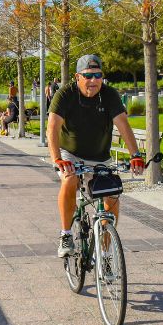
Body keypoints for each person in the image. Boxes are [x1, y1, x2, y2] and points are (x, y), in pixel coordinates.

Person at [48, 55, 145, 258]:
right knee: (69, 180)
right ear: (77, 77)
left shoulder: (109, 95)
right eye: (88, 76)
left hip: (100, 156)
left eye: (98, 75)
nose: (93, 81)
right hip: (70, 154)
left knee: (112, 198)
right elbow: (53, 127)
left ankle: (106, 252)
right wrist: (57, 159)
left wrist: (135, 154)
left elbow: (123, 125)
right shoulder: (65, 94)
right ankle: (66, 234)